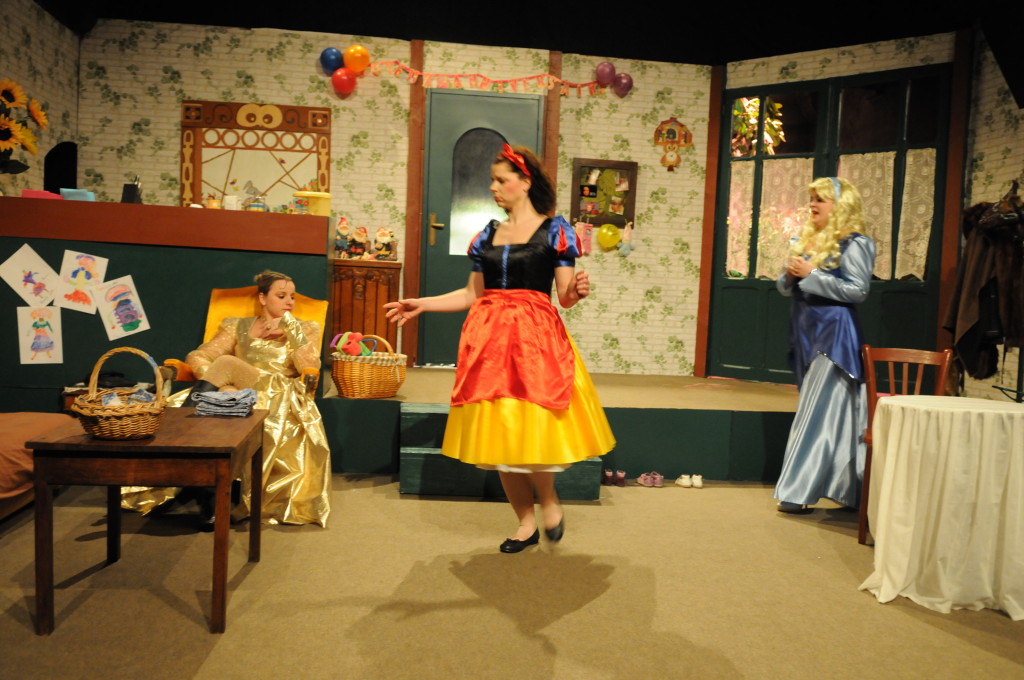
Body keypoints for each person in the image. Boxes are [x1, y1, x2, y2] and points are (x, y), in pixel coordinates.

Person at [385, 144, 615, 553]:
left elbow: (564, 296)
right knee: (501, 437)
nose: (493, 187)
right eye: (492, 180)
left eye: (501, 180)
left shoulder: (555, 231)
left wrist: (577, 290)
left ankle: (549, 498)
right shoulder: (487, 235)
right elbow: (472, 294)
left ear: (525, 182)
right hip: (489, 343)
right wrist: (422, 303)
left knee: (534, 426)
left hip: (535, 341)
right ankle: (525, 524)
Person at [123, 270, 331, 529]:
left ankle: (189, 459)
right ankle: (208, 490)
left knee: (225, 367)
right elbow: (199, 356)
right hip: (233, 388)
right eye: (281, 296)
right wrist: (217, 381)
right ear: (263, 298)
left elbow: (308, 365)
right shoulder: (238, 326)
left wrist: (291, 329)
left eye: (292, 296)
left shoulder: (305, 328)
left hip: (276, 389)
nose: (289, 301)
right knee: (223, 382)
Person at [774, 176, 876, 513]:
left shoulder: (856, 243)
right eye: (812, 199)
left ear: (840, 205)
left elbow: (858, 291)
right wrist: (791, 275)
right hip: (804, 331)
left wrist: (812, 275)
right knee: (832, 412)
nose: (812, 205)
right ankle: (851, 489)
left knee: (814, 412)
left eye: (820, 199)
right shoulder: (806, 239)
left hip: (834, 335)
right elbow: (785, 287)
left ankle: (796, 491)